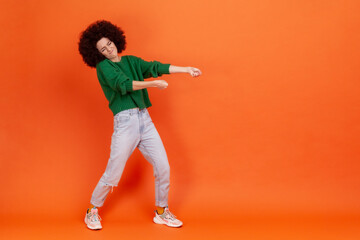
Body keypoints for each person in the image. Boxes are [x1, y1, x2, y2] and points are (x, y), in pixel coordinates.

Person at [78, 20, 202, 230]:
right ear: (97, 53)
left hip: (145, 120)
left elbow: (155, 67)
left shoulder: (132, 61)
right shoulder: (103, 67)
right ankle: (92, 210)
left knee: (163, 166)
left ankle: (162, 212)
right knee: (113, 173)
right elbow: (123, 85)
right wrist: (153, 84)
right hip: (125, 123)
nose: (108, 49)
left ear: (114, 39)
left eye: (108, 43)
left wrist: (185, 69)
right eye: (102, 48)